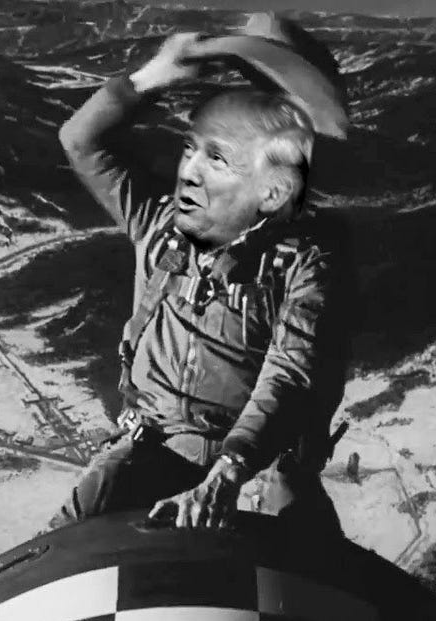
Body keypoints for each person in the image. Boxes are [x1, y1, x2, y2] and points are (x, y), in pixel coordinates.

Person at [50, 25, 353, 534]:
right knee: (63, 542)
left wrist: (229, 470)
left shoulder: (306, 260)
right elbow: (80, 141)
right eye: (192, 148)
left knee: (310, 560)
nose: (191, 170)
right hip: (154, 444)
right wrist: (151, 78)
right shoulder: (162, 225)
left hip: (259, 463)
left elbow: (289, 374)